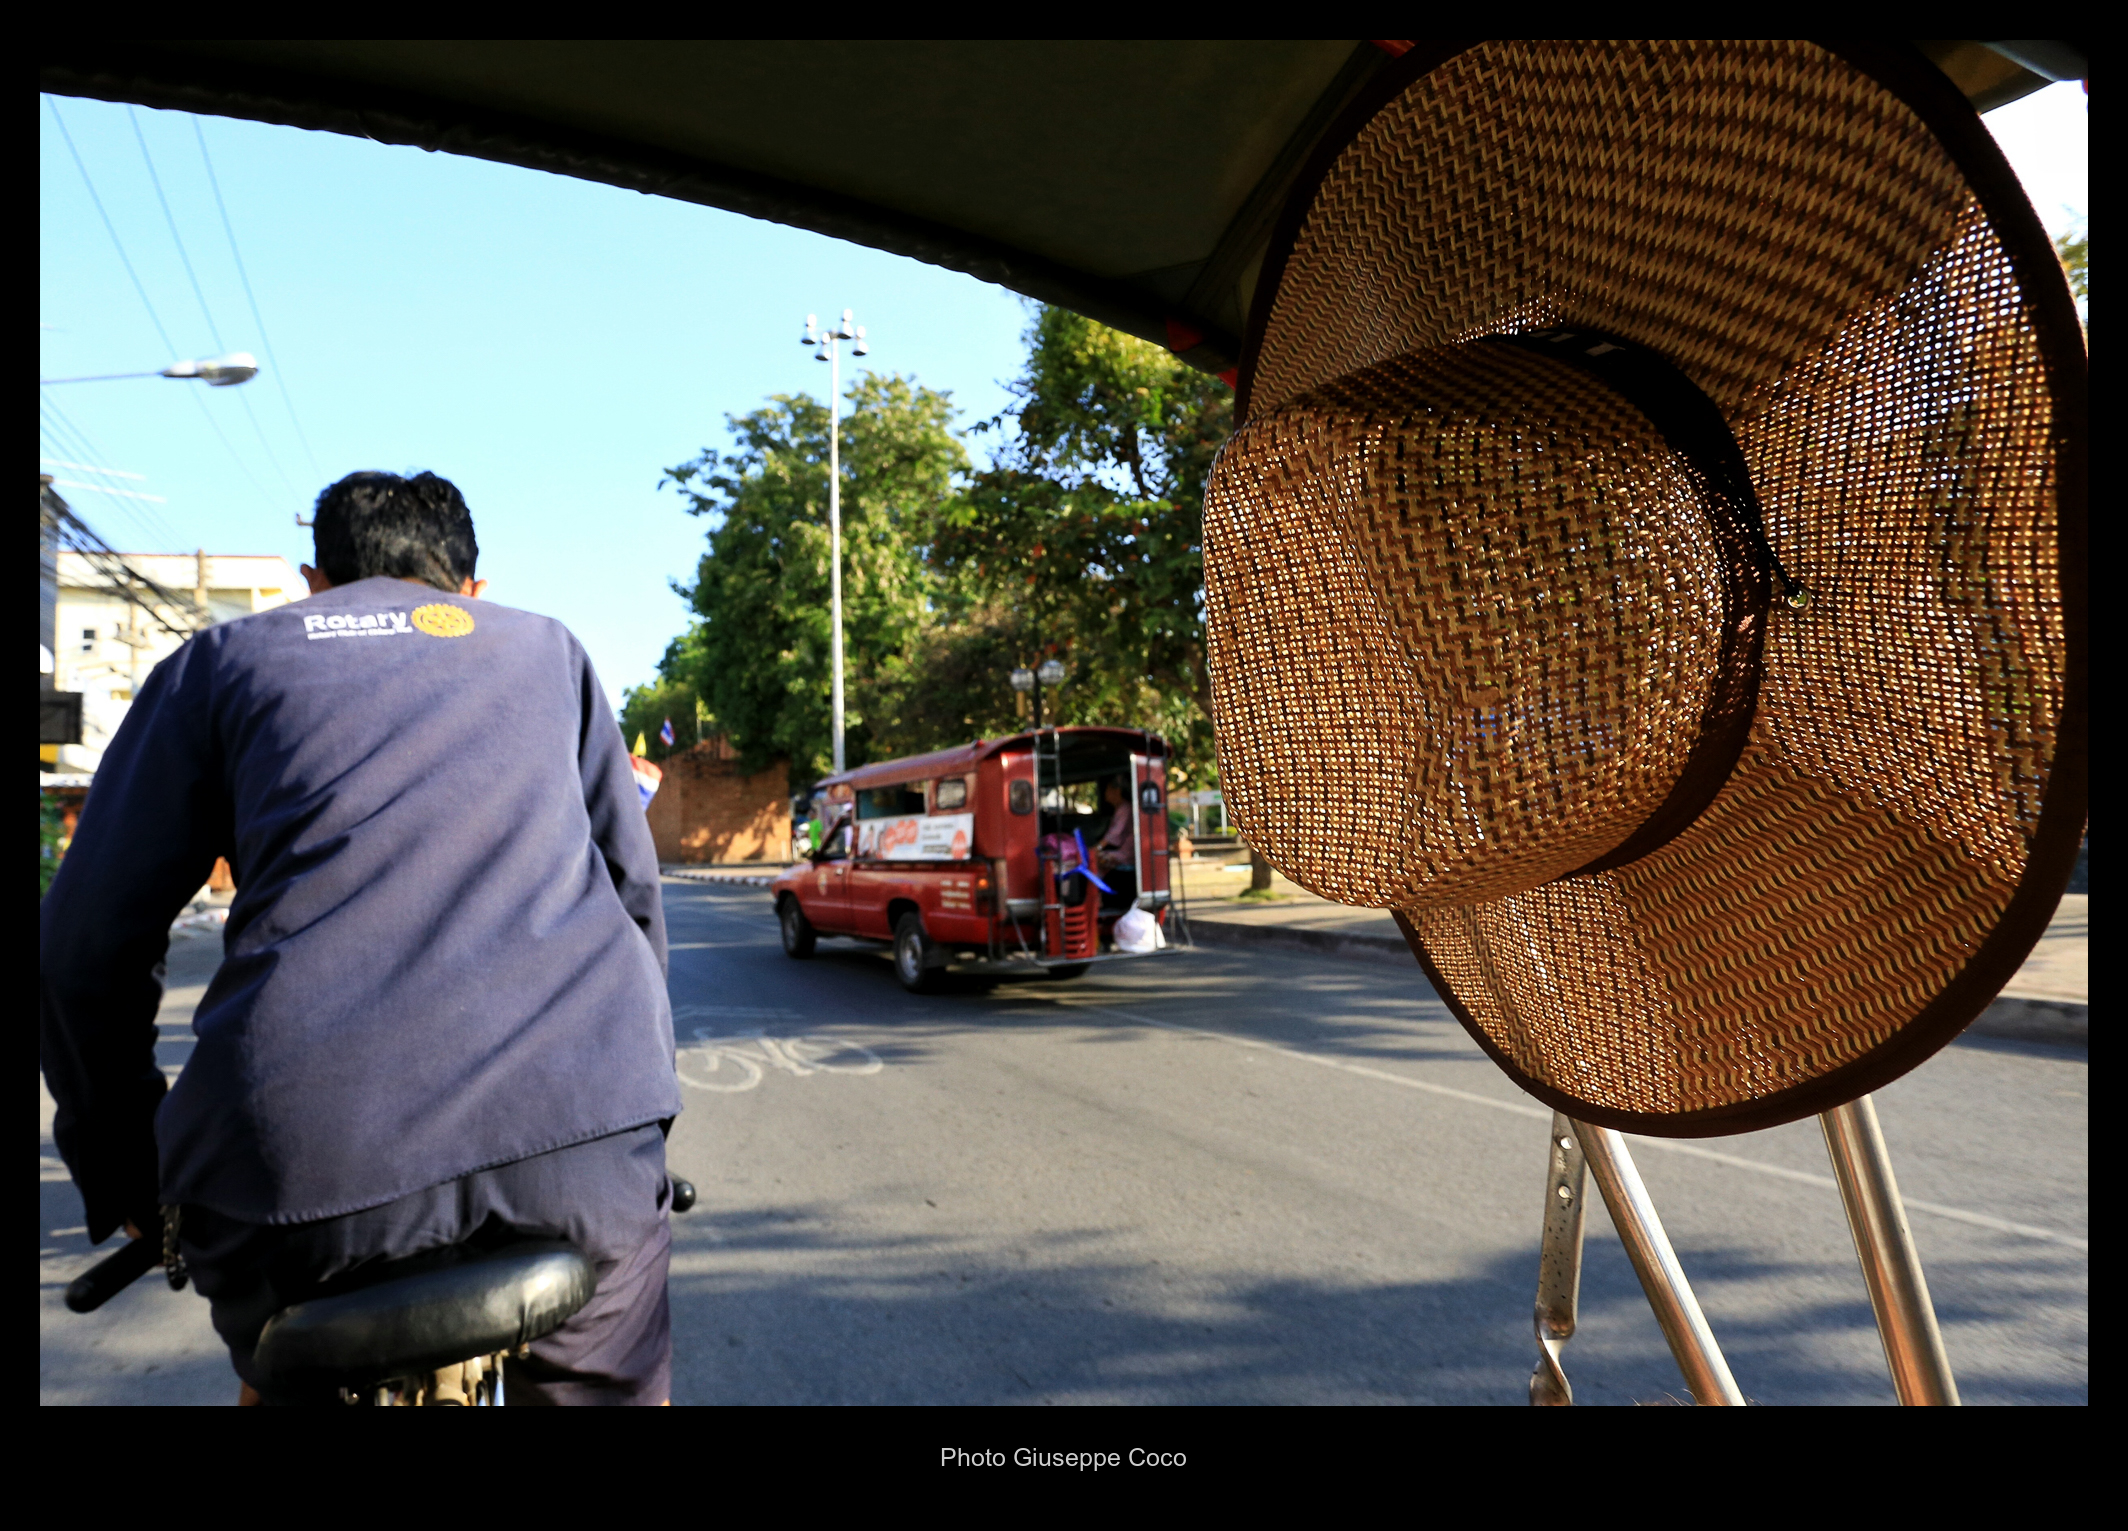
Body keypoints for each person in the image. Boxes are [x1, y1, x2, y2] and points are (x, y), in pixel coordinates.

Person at [39, 471, 682, 1406]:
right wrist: (640, 1111)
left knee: (285, 1369)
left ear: (312, 580)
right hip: (579, 1151)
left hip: (291, 1176)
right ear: (474, 589)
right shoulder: (548, 649)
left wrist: (133, 1177)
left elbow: (79, 949)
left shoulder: (220, 662)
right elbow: (633, 901)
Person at [1092, 776, 1137, 911]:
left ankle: (1099, 898)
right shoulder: (1120, 808)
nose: (1105, 795)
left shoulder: (1125, 808)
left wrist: (1096, 848)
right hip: (1121, 850)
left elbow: (1114, 834)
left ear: (1116, 791)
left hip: (1127, 853)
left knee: (1097, 860)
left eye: (1107, 790)